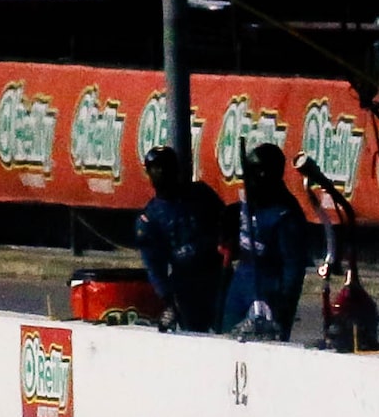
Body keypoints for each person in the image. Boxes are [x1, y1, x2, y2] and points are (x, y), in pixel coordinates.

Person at [221, 140, 314, 341]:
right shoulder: (249, 200)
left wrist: (283, 305)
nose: (248, 179)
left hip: (269, 287)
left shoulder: (285, 214)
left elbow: (293, 267)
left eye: (255, 172)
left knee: (263, 343)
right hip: (242, 280)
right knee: (227, 338)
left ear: (267, 174)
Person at [133, 144, 227, 332]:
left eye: (166, 167)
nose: (161, 172)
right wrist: (168, 300)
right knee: (195, 335)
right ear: (149, 173)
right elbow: (154, 265)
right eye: (156, 168)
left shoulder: (201, 194)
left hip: (218, 275)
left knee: (227, 331)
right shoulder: (150, 217)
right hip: (186, 285)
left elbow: (225, 221)